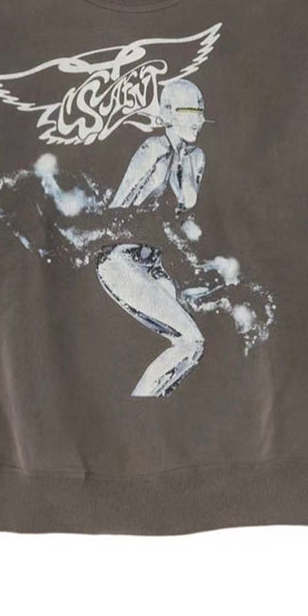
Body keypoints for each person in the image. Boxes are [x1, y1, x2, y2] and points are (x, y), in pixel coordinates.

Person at [96, 79, 213, 397]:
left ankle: (148, 402)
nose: (197, 120)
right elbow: (116, 212)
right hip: (122, 261)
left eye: (200, 113)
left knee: (187, 346)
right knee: (191, 342)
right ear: (168, 113)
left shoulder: (196, 158)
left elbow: (183, 217)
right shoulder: (154, 151)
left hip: (155, 264)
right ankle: (140, 405)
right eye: (189, 111)